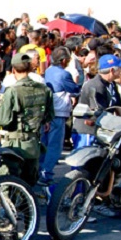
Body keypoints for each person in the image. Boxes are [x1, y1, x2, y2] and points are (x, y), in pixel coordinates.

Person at [0, 53, 54, 194]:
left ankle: (8, 213)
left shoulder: (13, 91)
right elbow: (49, 116)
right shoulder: (44, 89)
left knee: (9, 183)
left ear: (14, 70)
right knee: (28, 185)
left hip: (14, 144)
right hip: (34, 143)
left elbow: (3, 120)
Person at [40, 47, 80, 189]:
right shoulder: (64, 74)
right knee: (54, 147)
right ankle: (46, 175)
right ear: (63, 60)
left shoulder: (48, 70)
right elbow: (75, 90)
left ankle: (41, 173)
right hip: (57, 113)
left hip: (47, 113)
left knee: (44, 145)